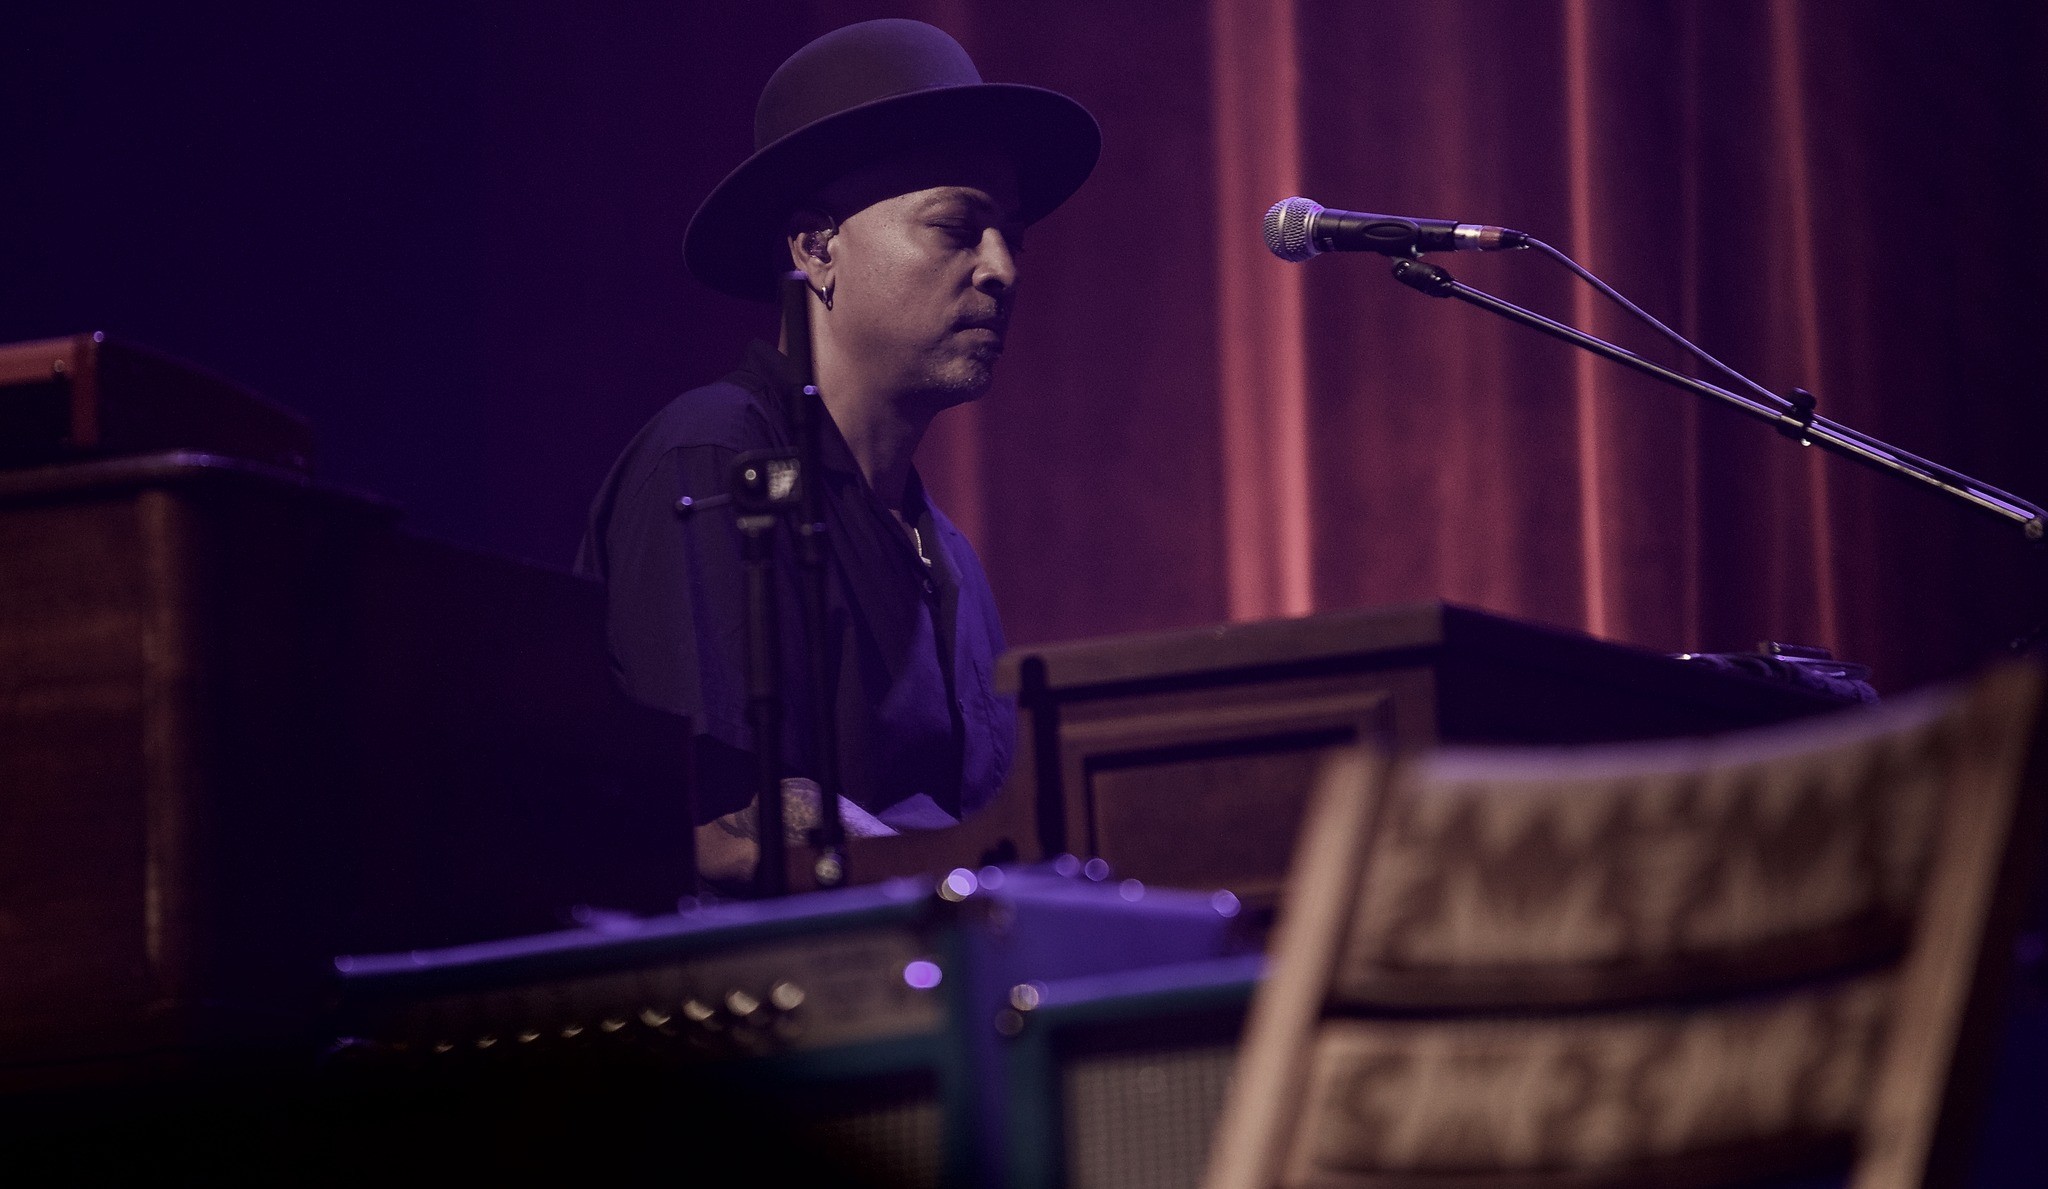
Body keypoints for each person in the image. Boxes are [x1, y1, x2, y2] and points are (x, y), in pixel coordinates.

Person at [575, 19, 1099, 887]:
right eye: (958, 227)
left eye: (1012, 235)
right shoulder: (715, 457)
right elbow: (718, 819)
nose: (1003, 268)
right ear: (816, 247)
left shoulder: (947, 553)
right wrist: (954, 884)